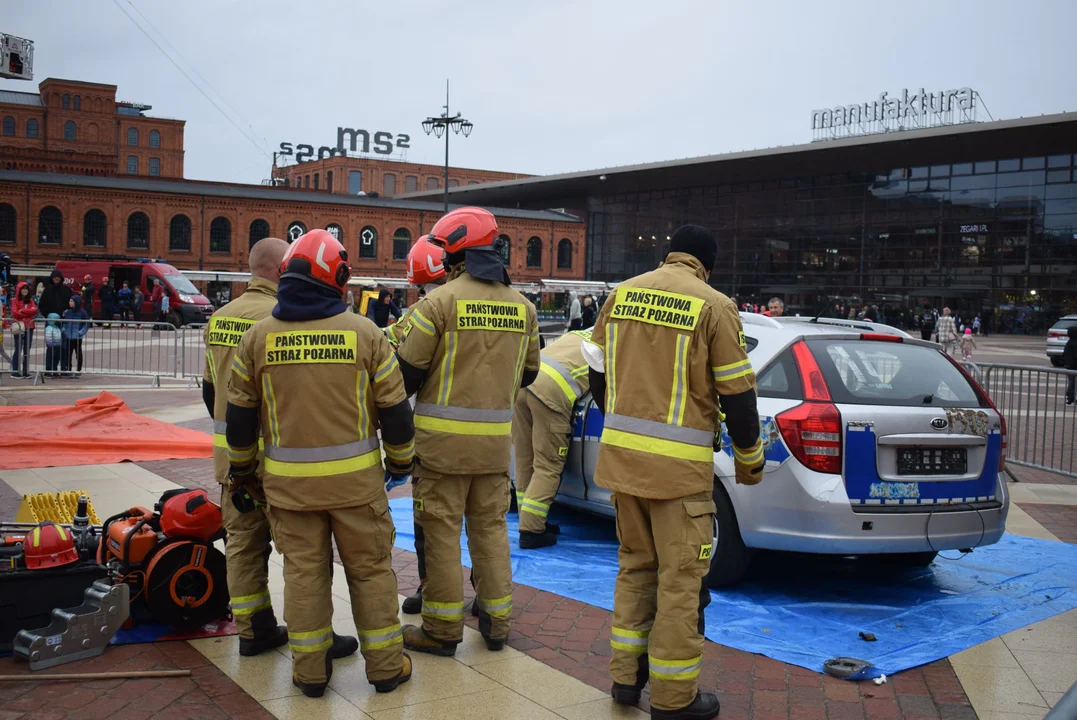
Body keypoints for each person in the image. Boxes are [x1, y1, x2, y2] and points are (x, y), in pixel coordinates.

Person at [584, 225, 763, 720]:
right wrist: (749, 460)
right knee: (681, 582)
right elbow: (737, 397)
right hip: (679, 476)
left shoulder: (621, 296)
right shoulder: (714, 306)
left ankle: (624, 680)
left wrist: (621, 421)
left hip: (622, 466)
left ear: (669, 256)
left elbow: (596, 371)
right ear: (707, 264)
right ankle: (673, 699)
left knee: (634, 569)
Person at [226, 229, 415, 698]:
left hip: (289, 493)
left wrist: (245, 471)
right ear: (337, 279)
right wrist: (400, 464)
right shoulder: (365, 334)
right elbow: (396, 415)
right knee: (371, 573)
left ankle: (310, 673)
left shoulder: (258, 339)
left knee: (304, 576)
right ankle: (387, 668)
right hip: (357, 490)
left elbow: (239, 422)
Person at [394, 206, 540, 657]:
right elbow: (529, 374)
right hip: (495, 448)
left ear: (453, 250)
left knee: (440, 533)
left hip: (440, 451)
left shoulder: (438, 302)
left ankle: (441, 630)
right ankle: (496, 624)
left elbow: (405, 375)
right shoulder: (524, 307)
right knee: (491, 532)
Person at [203, 237, 293, 659]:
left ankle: (253, 630)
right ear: (280, 270)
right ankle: (313, 635)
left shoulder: (219, 317)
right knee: (300, 546)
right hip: (279, 459)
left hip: (231, 459)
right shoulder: (283, 318)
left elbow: (209, 391)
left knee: (241, 544)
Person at [394, 236, 447, 616]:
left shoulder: (425, 310)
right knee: (486, 529)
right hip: (494, 439)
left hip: (435, 439)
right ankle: (491, 603)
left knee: (430, 524)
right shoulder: (508, 303)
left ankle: (432, 593)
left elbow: (400, 366)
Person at [513, 329, 592, 549]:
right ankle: (531, 531)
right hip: (552, 392)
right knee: (547, 465)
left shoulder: (581, 333)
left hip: (523, 384)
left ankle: (529, 520)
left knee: (524, 460)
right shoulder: (614, 344)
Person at [10, 281, 38, 378]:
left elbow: (35, 310)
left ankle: (25, 371)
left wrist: (22, 311)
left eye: (26, 289)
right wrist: (27, 313)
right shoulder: (14, 300)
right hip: (19, 326)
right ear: (19, 290)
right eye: (23, 289)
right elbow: (14, 313)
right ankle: (15, 370)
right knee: (18, 348)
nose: (25, 291)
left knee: (27, 349)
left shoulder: (30, 300)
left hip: (29, 327)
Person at [62, 296, 90, 377]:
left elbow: (86, 324)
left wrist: (81, 332)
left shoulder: (83, 312)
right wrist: (64, 330)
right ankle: (69, 369)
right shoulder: (67, 312)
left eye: (71, 301)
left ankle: (78, 369)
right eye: (69, 301)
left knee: (78, 353)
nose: (69, 302)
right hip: (68, 336)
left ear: (76, 302)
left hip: (77, 337)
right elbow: (63, 322)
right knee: (68, 354)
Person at [44, 313, 63, 378]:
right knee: (49, 358)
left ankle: (54, 370)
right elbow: (48, 337)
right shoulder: (49, 328)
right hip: (51, 346)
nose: (58, 321)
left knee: (56, 358)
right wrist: (50, 344)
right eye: (57, 319)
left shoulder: (57, 328)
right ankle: (48, 371)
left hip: (57, 345)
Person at [1064, 327, 1077, 406]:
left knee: (1072, 382)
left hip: (1069, 366)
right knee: (1073, 382)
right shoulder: (1074, 343)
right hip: (1073, 366)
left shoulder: (1070, 342)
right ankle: (1071, 397)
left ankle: (1070, 397)